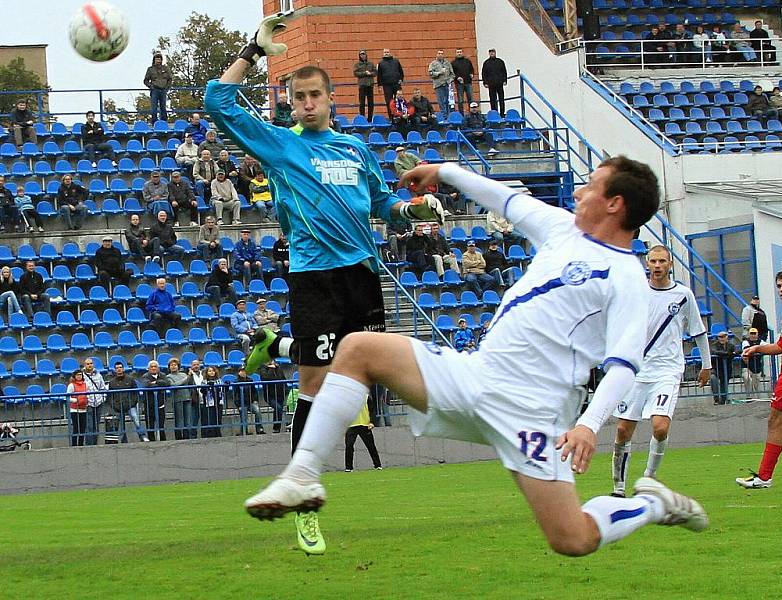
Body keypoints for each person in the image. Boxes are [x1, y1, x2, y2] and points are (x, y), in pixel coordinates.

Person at [245, 157, 709, 559]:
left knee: (573, 540)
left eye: (591, 185)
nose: (581, 190)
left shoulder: (627, 277)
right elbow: (503, 198)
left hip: (534, 413)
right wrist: (442, 171)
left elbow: (624, 364)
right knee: (358, 348)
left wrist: (589, 424)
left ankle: (651, 504)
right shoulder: (561, 229)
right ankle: (303, 475)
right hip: (475, 376)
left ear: (615, 204)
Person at [206, 18, 444, 555]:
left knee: (361, 383)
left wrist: (415, 208)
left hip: (362, 273)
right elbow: (217, 100)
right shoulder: (281, 147)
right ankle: (302, 490)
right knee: (316, 385)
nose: (307, 103)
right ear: (290, 103)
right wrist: (252, 50)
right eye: (298, 97)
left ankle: (278, 345)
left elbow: (385, 207)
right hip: (314, 276)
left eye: (315, 95)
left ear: (331, 99)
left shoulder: (356, 152)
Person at [610, 246, 712, 497]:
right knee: (623, 430)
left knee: (660, 427)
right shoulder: (636, 291)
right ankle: (619, 488)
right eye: (653, 261)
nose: (657, 265)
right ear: (647, 263)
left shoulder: (683, 295)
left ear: (670, 265)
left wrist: (706, 364)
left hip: (667, 369)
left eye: (662, 261)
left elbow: (698, 331)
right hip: (636, 370)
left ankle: (649, 478)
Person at [736, 270, 782, 489]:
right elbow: (781, 345)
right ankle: (763, 476)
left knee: (775, 420)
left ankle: (764, 477)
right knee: (775, 421)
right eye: (779, 286)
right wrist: (757, 348)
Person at [107, 361, 148, 443]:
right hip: (118, 406)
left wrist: (132, 403)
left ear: (123, 369)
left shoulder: (130, 379)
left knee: (136, 418)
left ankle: (142, 436)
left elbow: (135, 392)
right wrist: (114, 405)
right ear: (115, 370)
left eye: (120, 367)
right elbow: (110, 396)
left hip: (130, 405)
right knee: (121, 425)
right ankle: (123, 440)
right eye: (117, 368)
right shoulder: (112, 382)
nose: (119, 369)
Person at [344, 401, 382, 472]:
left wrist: (372, 422)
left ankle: (378, 465)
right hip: (351, 425)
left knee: (371, 446)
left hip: (365, 425)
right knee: (349, 445)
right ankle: (349, 467)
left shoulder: (366, 397)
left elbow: (372, 410)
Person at [140, 360, 169, 441]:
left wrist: (155, 382)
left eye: (155, 366)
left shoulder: (162, 375)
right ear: (148, 369)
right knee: (150, 425)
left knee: (161, 425)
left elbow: (167, 383)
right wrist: (158, 384)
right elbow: (146, 385)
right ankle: (151, 442)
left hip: (160, 403)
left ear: (158, 368)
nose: (153, 368)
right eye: (151, 367)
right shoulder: (145, 376)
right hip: (149, 404)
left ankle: (163, 441)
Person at [83, 357, 108, 446]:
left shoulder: (98, 375)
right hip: (88, 403)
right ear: (84, 365)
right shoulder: (82, 376)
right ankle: (89, 445)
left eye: (91, 363)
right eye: (88, 364)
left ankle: (95, 444)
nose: (89, 365)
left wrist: (102, 398)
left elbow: (103, 387)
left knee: (96, 425)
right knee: (89, 426)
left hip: (98, 403)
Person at [165, 358, 191, 440]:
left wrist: (188, 377)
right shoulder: (168, 377)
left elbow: (188, 383)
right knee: (179, 419)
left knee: (188, 419)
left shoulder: (183, 374)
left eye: (175, 365)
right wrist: (186, 378)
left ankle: (187, 436)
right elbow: (174, 385)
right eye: (171, 365)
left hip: (187, 398)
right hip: (177, 399)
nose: (173, 367)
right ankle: (179, 436)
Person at [143, 52, 171, 123]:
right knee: (154, 108)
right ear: (154, 60)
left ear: (161, 60)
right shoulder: (150, 69)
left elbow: (170, 79)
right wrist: (150, 86)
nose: (158, 61)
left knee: (163, 108)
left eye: (159, 59)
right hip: (155, 90)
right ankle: (154, 122)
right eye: (156, 59)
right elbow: (145, 80)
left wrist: (167, 87)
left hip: (163, 90)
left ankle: (164, 122)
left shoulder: (166, 68)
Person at [236, 367, 266, 435]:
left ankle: (259, 429)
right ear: (239, 372)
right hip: (241, 403)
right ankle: (244, 431)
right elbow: (235, 395)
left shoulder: (250, 380)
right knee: (244, 416)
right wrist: (238, 405)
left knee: (257, 411)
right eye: (242, 371)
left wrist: (255, 400)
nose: (243, 373)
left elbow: (254, 391)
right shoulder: (236, 381)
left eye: (245, 371)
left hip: (250, 402)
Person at [710, 331, 737, 405]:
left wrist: (727, 354)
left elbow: (737, 351)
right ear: (718, 338)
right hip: (716, 367)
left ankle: (722, 401)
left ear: (727, 337)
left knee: (724, 385)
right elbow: (714, 351)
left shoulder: (731, 345)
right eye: (720, 337)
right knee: (713, 378)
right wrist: (727, 354)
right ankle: (716, 399)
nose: (722, 338)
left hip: (727, 368)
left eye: (724, 336)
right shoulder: (714, 345)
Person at [376, 48, 404, 117]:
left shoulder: (396, 61)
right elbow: (379, 75)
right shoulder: (381, 63)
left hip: (396, 84)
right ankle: (391, 117)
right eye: (385, 52)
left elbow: (401, 72)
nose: (386, 53)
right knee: (389, 101)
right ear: (383, 53)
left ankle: (400, 116)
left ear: (390, 53)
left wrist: (401, 79)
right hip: (387, 85)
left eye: (387, 52)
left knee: (399, 100)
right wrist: (379, 86)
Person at [428, 50, 455, 119]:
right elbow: (430, 74)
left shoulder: (447, 63)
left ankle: (449, 116)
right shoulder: (433, 64)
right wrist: (439, 72)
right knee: (441, 102)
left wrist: (450, 80)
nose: (440, 55)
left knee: (447, 101)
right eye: (439, 53)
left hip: (446, 85)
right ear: (436, 54)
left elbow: (452, 74)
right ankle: (444, 117)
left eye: (442, 54)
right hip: (438, 85)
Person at [481, 49, 508, 116]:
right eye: (490, 53)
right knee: (492, 100)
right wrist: (485, 82)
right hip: (491, 84)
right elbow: (484, 73)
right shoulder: (486, 63)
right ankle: (494, 114)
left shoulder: (500, 61)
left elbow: (504, 71)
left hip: (499, 83)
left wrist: (505, 80)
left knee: (501, 99)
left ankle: (502, 114)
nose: (492, 54)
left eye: (493, 52)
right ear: (489, 54)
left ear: (495, 53)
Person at [261, 360, 286, 432]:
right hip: (270, 395)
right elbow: (265, 378)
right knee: (278, 408)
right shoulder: (263, 368)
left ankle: (277, 428)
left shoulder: (279, 368)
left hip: (280, 394)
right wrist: (271, 369)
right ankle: (276, 428)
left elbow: (282, 378)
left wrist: (285, 390)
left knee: (279, 409)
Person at [200, 366, 224, 438]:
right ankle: (211, 435)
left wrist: (227, 385)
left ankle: (218, 433)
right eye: (210, 371)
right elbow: (202, 391)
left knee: (218, 419)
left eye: (213, 371)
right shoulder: (204, 381)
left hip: (219, 402)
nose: (212, 372)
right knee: (211, 419)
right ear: (207, 373)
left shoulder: (219, 380)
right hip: (209, 403)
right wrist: (207, 387)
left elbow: (224, 390)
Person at [67, 370, 88, 447]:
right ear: (74, 376)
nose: (79, 376)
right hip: (75, 410)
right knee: (76, 428)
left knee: (82, 429)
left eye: (80, 375)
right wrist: (76, 400)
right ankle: (74, 445)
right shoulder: (71, 385)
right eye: (78, 375)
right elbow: (68, 397)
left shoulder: (86, 385)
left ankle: (81, 444)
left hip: (83, 409)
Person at [741, 327, 765, 397]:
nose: (753, 335)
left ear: (757, 334)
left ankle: (758, 398)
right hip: (747, 365)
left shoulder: (761, 342)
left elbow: (767, 347)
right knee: (746, 378)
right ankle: (749, 397)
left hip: (757, 366)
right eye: (751, 333)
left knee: (756, 383)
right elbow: (746, 349)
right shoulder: (745, 342)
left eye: (754, 333)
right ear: (749, 334)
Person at [353, 50, 376, 121]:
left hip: (370, 85)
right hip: (362, 86)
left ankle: (369, 119)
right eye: (361, 55)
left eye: (364, 54)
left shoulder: (371, 64)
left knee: (371, 103)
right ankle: (362, 118)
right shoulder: (357, 65)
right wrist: (364, 73)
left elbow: (375, 72)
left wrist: (370, 73)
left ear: (366, 55)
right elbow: (355, 73)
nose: (362, 56)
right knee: (362, 103)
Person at [185, 359, 205, 439]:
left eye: (197, 364)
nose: (196, 366)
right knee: (193, 421)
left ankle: (205, 437)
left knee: (205, 421)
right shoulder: (189, 376)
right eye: (194, 365)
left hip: (204, 400)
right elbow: (186, 383)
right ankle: (193, 438)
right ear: (191, 366)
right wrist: (189, 375)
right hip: (194, 401)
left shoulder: (204, 374)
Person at [451, 48, 475, 115]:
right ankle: (461, 115)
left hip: (468, 82)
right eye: (458, 52)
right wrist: (457, 78)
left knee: (470, 99)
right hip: (459, 84)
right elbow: (452, 73)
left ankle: (472, 114)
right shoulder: (453, 63)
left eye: (460, 52)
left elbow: (472, 69)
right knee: (460, 100)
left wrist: (472, 74)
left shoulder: (467, 61)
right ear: (456, 53)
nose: (459, 53)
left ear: (462, 53)